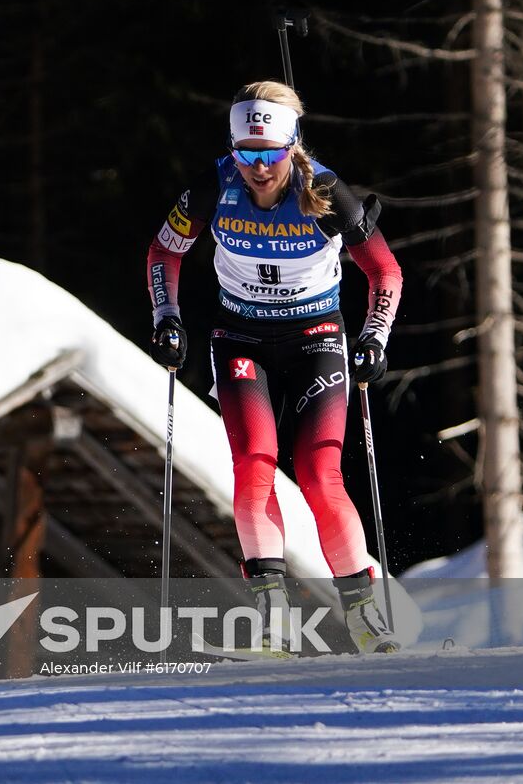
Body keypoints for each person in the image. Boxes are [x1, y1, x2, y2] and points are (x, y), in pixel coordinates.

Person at [145, 80, 403, 655]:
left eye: (270, 153)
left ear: (292, 145)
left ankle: (363, 613)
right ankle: (273, 615)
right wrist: (167, 316)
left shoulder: (328, 192)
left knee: (318, 471)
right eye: (246, 153)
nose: (259, 168)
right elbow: (163, 251)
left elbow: (385, 272)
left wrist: (374, 337)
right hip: (241, 338)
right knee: (254, 464)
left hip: (316, 337)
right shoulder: (214, 187)